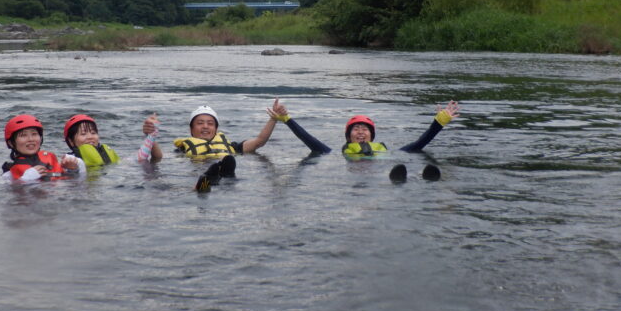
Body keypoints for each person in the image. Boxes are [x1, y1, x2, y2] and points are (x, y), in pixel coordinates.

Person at [268, 101, 461, 180]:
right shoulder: (335, 155)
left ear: (372, 136)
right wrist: (287, 119)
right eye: (356, 129)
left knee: (405, 163)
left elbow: (420, 143)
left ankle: (420, 178)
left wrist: (439, 122)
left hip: (386, 169)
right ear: (349, 136)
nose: (361, 132)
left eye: (365, 129)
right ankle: (398, 181)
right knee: (392, 177)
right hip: (381, 179)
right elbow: (309, 139)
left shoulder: (385, 151)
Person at [174, 101, 282, 191]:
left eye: (210, 123)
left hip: (223, 177)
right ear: (191, 129)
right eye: (200, 123)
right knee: (204, 181)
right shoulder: (182, 149)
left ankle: (225, 176)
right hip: (199, 177)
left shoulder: (231, 147)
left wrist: (273, 119)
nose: (205, 126)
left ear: (216, 129)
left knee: (227, 164)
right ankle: (204, 184)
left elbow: (259, 141)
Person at [2, 114, 85, 182]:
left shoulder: (50, 157)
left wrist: (73, 169)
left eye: (34, 134)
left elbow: (73, 181)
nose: (31, 139)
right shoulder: (9, 175)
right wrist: (26, 180)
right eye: (23, 135)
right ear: (11, 143)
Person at [63, 113, 163, 166]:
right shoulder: (68, 160)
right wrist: (69, 167)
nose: (90, 137)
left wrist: (150, 136)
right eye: (83, 134)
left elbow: (153, 158)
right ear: (71, 141)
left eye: (93, 133)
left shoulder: (109, 156)